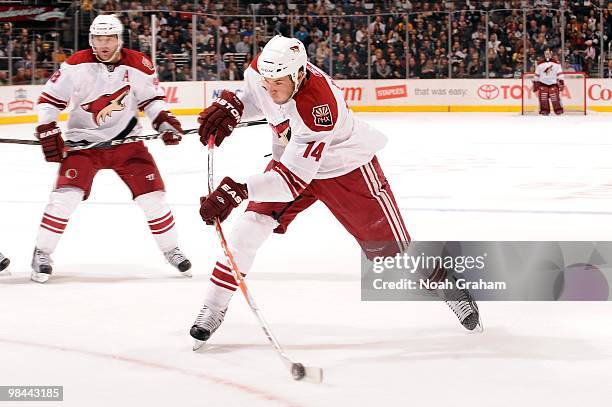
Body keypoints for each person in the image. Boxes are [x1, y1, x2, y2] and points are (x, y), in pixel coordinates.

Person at [190, 35, 481, 347]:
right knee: (247, 231)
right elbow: (255, 95)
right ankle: (213, 307)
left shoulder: (319, 105)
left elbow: (290, 183)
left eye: (278, 82)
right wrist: (234, 106)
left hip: (345, 169)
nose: (270, 87)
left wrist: (237, 190)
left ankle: (446, 282)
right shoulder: (267, 72)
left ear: (299, 74)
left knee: (391, 251)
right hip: (292, 161)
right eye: (266, 80)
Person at [31, 14, 192, 283]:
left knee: (153, 198)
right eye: (98, 38)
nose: (103, 44)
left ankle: (171, 249)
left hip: (127, 142)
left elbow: (152, 99)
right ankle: (42, 252)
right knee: (65, 197)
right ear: (91, 39)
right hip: (83, 143)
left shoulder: (139, 63)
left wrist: (163, 120)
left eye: (109, 38)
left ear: (119, 39)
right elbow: (50, 99)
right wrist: (48, 126)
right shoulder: (75, 64)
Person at [532, 48, 564, 115]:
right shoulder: (540, 64)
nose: (547, 54)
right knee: (543, 98)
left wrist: (561, 82)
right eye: (546, 53)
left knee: (555, 97)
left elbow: (560, 73)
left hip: (553, 83)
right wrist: (535, 83)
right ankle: (544, 110)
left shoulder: (556, 63)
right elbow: (537, 74)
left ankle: (558, 110)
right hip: (543, 84)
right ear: (544, 54)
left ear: (551, 53)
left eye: (548, 53)